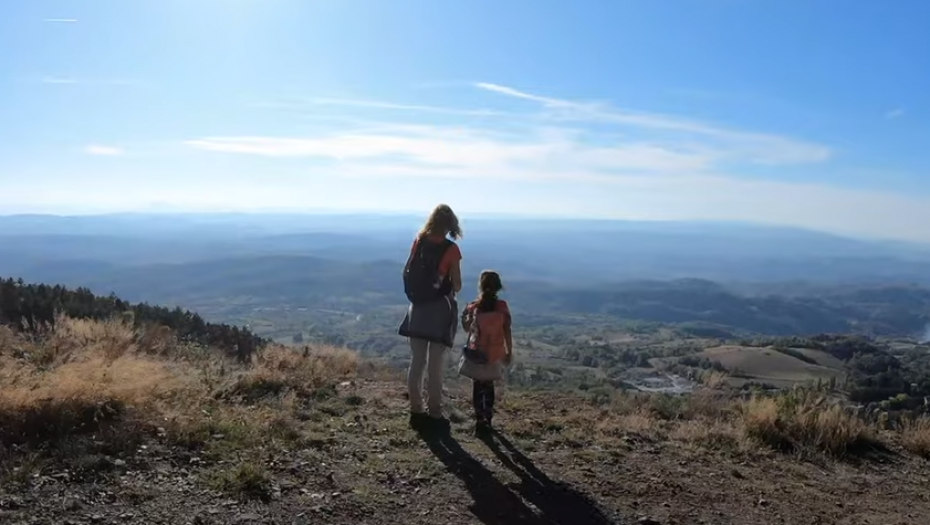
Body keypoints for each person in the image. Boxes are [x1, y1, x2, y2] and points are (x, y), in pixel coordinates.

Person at [398, 204, 463, 428]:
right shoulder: (451, 249)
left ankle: (416, 408)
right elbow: (457, 284)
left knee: (417, 361)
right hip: (440, 311)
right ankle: (435, 411)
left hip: (417, 308)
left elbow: (407, 270)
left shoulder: (419, 241)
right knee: (436, 364)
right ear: (451, 224)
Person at [459, 270, 513, 436]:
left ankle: (479, 420)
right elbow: (507, 330)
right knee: (489, 385)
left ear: (480, 286)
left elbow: (467, 329)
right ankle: (488, 419)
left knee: (477, 386)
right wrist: (509, 351)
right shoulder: (502, 307)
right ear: (498, 287)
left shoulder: (474, 306)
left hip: (477, 351)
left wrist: (464, 316)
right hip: (495, 352)